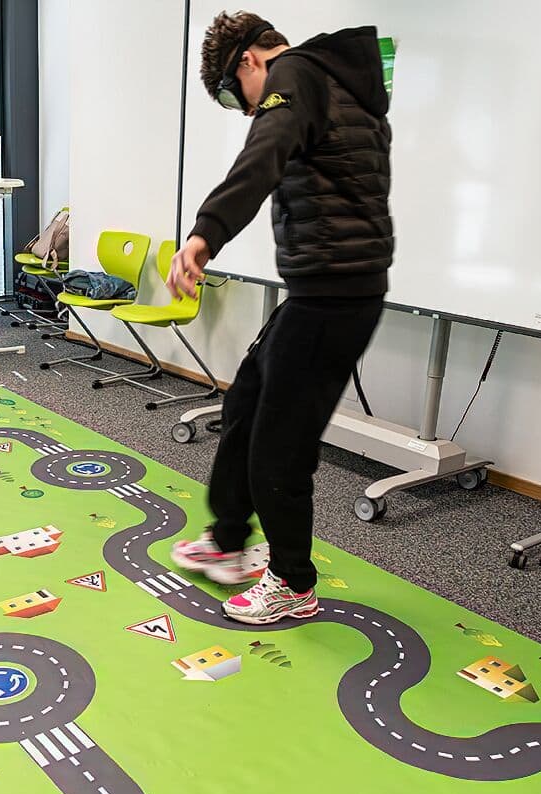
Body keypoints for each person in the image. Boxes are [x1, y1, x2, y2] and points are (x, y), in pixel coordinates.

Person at [169, 12, 392, 625]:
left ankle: (293, 583)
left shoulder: (294, 74)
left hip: (334, 294)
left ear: (248, 60)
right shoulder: (329, 79)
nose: (245, 109)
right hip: (322, 289)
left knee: (280, 444)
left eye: (232, 94)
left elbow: (262, 155)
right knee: (245, 402)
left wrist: (205, 234)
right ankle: (228, 541)